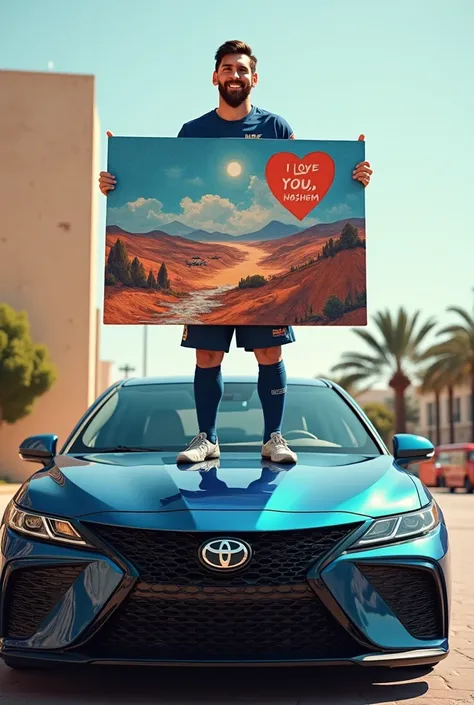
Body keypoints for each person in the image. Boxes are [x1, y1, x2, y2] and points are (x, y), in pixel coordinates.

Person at [99, 40, 373, 466]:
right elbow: (160, 183)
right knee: (207, 354)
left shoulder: (277, 128)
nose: (234, 76)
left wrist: (353, 179)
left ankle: (274, 437)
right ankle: (206, 438)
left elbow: (310, 180)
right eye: (227, 68)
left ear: (254, 78)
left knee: (270, 353)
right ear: (215, 77)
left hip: (265, 253)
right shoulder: (193, 132)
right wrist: (121, 183)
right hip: (215, 278)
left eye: (242, 69)